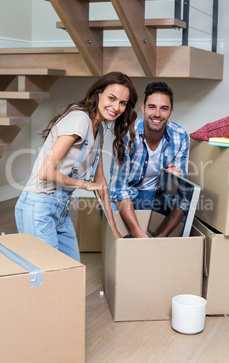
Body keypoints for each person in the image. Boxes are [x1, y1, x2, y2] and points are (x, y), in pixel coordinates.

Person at [15, 71, 138, 261]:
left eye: (123, 103)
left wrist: (115, 231)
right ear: (98, 94)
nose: (116, 107)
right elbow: (45, 172)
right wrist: (85, 185)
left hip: (61, 208)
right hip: (39, 206)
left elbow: (100, 181)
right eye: (111, 98)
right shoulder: (79, 119)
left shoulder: (99, 129)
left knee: (72, 267)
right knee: (48, 274)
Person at [109, 81, 189, 238]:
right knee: (107, 208)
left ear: (171, 111)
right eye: (152, 107)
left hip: (159, 198)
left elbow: (181, 190)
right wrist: (139, 234)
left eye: (163, 108)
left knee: (187, 200)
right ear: (144, 108)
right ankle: (136, 237)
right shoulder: (126, 135)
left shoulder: (180, 135)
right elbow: (119, 189)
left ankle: (160, 238)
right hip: (131, 195)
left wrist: (175, 178)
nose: (157, 114)